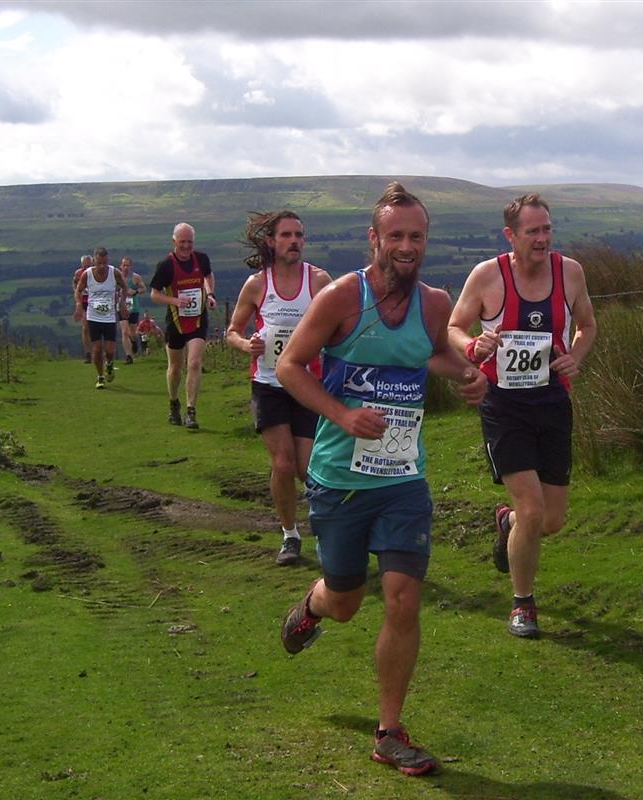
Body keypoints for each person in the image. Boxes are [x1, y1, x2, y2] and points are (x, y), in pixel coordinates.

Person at [276, 182, 486, 776]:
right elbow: (290, 365)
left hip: (402, 477)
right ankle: (314, 606)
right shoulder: (343, 297)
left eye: (416, 236)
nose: (406, 245)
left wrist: (467, 375)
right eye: (395, 235)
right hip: (340, 476)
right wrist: (341, 414)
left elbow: (431, 355)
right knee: (345, 599)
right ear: (374, 239)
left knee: (403, 598)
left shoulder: (435, 302)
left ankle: (389, 731)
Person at [447, 193, 597, 639]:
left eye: (547, 228)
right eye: (533, 231)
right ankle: (523, 604)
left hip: (552, 401)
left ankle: (507, 523)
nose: (542, 238)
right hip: (504, 404)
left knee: (550, 520)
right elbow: (454, 327)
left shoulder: (569, 272)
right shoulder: (487, 276)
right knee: (532, 510)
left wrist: (577, 357)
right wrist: (473, 346)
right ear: (510, 235)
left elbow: (587, 324)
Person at [225, 211, 332, 566]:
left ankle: (326, 528)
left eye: (299, 235)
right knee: (283, 464)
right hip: (268, 383)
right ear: (271, 241)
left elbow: (339, 326)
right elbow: (232, 331)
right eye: (287, 235)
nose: (295, 241)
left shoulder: (318, 280)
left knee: (307, 468)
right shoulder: (257, 284)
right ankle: (290, 536)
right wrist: (246, 346)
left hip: (307, 384)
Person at [149, 223, 217, 429]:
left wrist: (210, 295)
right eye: (182, 242)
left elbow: (208, 276)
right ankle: (173, 403)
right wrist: (176, 302)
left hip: (198, 318)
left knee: (194, 363)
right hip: (175, 322)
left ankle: (191, 411)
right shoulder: (166, 266)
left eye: (190, 242)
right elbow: (154, 294)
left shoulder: (202, 259)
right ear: (174, 242)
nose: (186, 246)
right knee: (176, 368)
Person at [73, 246, 129, 389]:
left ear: (108, 260)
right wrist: (79, 305)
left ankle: (109, 364)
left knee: (110, 351)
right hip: (93, 316)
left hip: (109, 317)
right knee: (97, 349)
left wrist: (122, 303)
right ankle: (100, 376)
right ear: (94, 262)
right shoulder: (87, 275)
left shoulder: (114, 273)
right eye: (99, 263)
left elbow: (124, 287)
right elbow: (78, 291)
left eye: (105, 262)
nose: (102, 266)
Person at [119, 256, 148, 364]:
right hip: (121, 307)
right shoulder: (117, 277)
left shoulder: (135, 277)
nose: (126, 267)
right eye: (124, 265)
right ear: (121, 266)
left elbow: (144, 289)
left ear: (131, 266)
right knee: (124, 331)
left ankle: (134, 341)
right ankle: (128, 356)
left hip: (133, 307)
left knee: (132, 333)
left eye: (128, 265)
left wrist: (135, 292)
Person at [72, 254, 93, 362]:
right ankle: (88, 353)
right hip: (84, 301)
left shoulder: (97, 272)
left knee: (96, 327)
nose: (87, 268)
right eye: (85, 266)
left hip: (95, 302)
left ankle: (98, 352)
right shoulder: (78, 273)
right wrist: (78, 303)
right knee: (85, 328)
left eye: (89, 265)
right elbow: (75, 288)